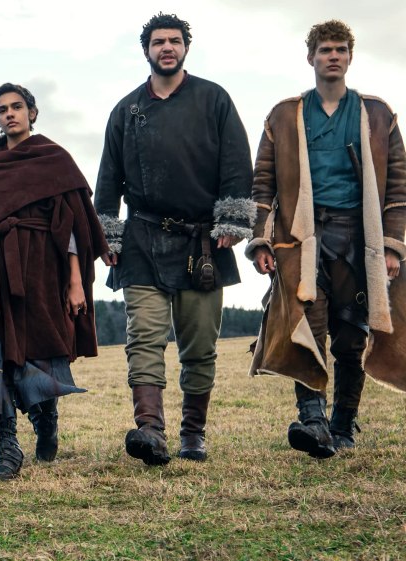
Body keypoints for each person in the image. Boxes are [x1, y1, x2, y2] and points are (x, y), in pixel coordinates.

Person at [94, 13, 254, 465]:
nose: (167, 47)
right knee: (144, 337)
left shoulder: (213, 99)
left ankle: (192, 433)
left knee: (199, 345)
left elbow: (236, 163)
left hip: (202, 242)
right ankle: (150, 430)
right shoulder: (126, 110)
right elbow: (107, 178)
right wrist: (108, 234)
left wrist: (231, 221)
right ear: (146, 50)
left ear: (186, 48)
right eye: (159, 41)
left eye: (175, 41)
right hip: (142, 238)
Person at [248, 20, 406, 458]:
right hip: (302, 239)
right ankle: (312, 421)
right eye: (325, 50)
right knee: (308, 326)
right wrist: (261, 240)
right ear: (311, 58)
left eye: (340, 49)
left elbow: (398, 188)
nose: (333, 56)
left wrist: (392, 246)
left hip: (359, 238)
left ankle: (343, 425)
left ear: (350, 57)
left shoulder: (377, 114)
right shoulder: (285, 115)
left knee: (352, 337)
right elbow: (262, 184)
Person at [0, 83, 108, 480]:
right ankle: (6, 446)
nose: (10, 114)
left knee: (37, 350)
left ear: (32, 112)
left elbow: (71, 225)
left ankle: (45, 417)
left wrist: (75, 281)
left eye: (17, 107)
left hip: (39, 267)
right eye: (2, 110)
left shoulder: (54, 159)